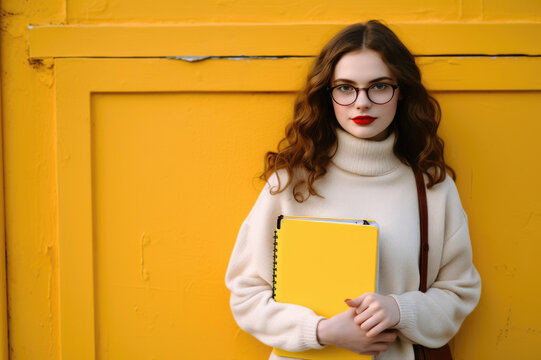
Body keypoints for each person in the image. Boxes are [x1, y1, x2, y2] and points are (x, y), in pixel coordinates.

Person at [225, 20, 481, 359]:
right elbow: (246, 295)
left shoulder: (432, 186)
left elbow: (458, 292)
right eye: (346, 88)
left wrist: (399, 310)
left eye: (379, 86)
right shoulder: (291, 184)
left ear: (400, 90)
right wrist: (320, 330)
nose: (362, 103)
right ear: (327, 94)